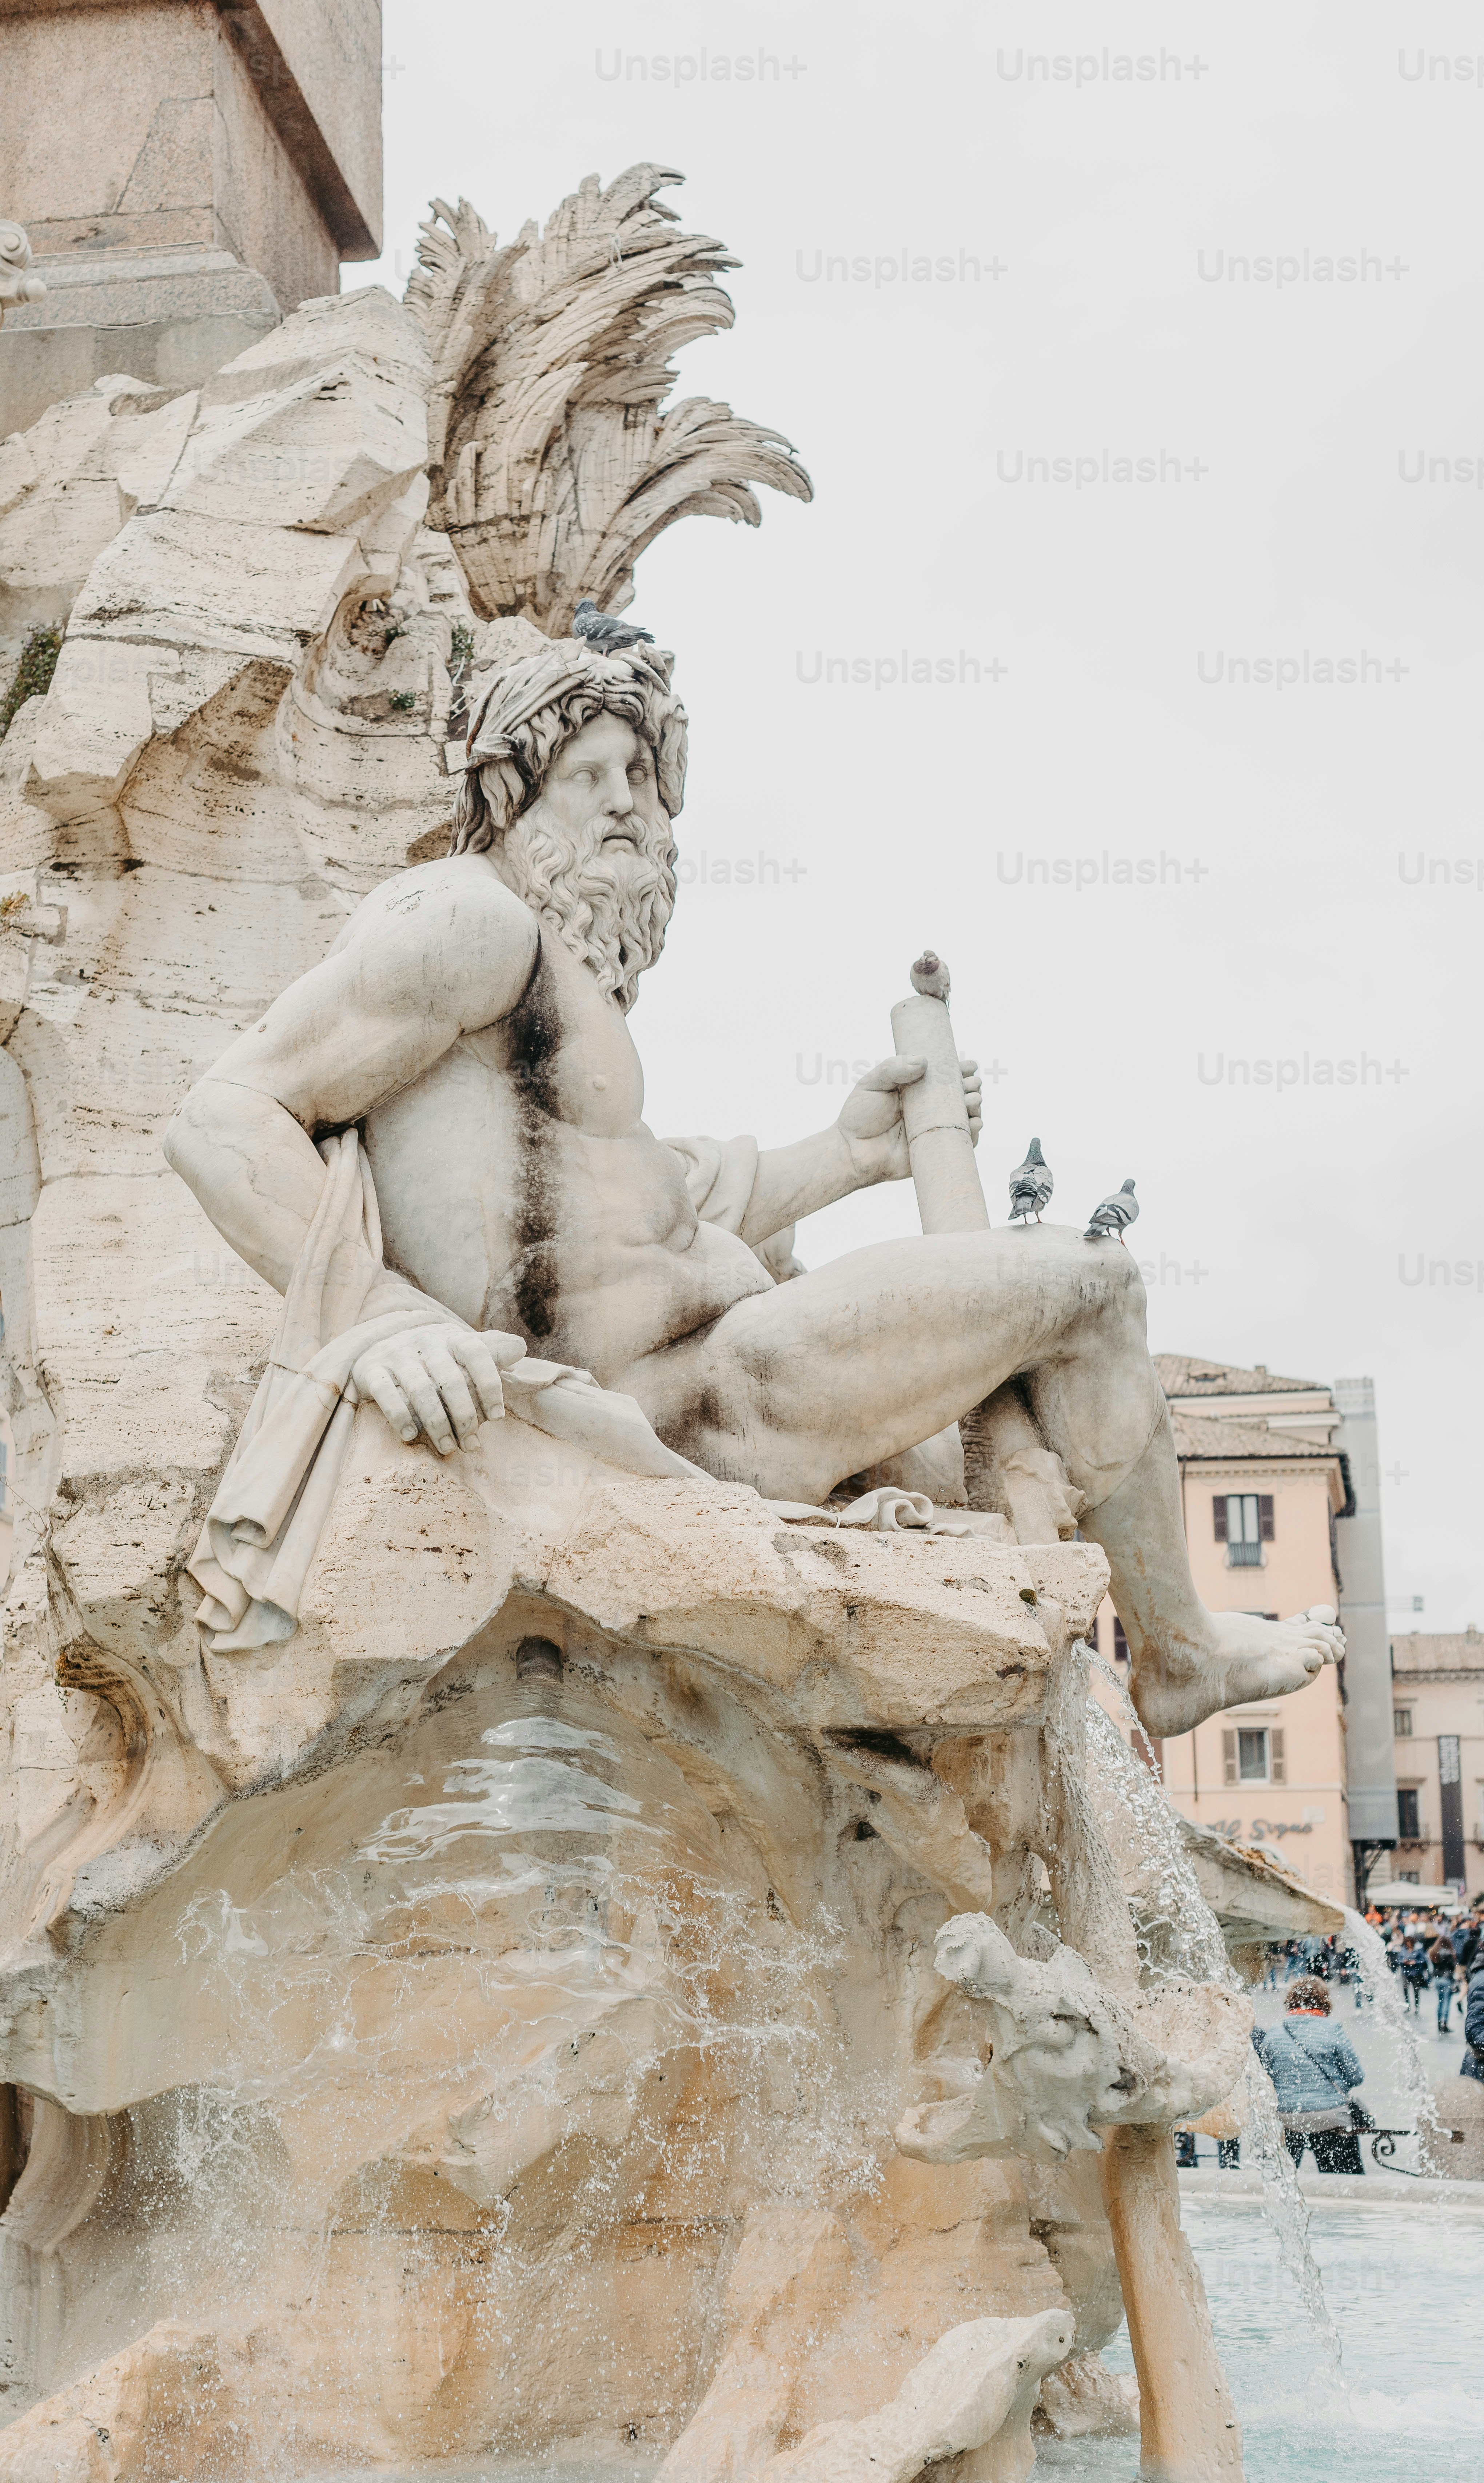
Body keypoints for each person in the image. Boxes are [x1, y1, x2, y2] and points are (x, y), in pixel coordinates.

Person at [165, 636, 1348, 1730]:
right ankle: (1180, 1657)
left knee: (1012, 1453)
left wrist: (852, 1155)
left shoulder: (551, 988)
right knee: (1091, 1285)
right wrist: (375, 1327)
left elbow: (667, 1209)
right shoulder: (467, 921)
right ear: (512, 793)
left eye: (642, 772)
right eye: (592, 771)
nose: (630, 801)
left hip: (732, 1364)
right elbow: (222, 1118)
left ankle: (1114, 1686)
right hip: (705, 1399)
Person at [1254, 1975, 1367, 2173]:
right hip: (1329, 2116)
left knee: (1281, 2181)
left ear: (1291, 2000)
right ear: (1325, 2001)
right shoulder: (1333, 2029)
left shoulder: (1274, 2032)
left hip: (1287, 2117)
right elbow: (1356, 2076)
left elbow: (1266, 2077)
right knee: (1343, 2183)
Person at [1432, 1930, 1459, 2035]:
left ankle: (1439, 2024)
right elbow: (1453, 1966)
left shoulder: (1434, 1952)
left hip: (1437, 1979)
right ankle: (1445, 2024)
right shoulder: (1448, 1953)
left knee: (1440, 2001)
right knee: (1446, 2002)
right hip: (1446, 1979)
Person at [1401, 1934, 1430, 2017]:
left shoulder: (1418, 1950)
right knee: (1406, 1989)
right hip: (1406, 1973)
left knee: (1416, 1990)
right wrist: (1404, 1961)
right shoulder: (1403, 1950)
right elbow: (1399, 1959)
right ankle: (1408, 2005)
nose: (1408, 1944)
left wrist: (1415, 1962)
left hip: (1415, 1973)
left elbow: (1423, 1960)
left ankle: (1417, 2007)